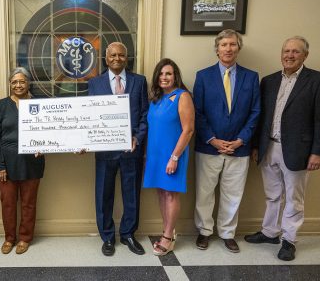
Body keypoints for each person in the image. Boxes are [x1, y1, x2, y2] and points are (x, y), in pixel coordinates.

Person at [244, 36, 320, 261]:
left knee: (294, 197)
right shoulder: (269, 81)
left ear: (305, 55)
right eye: (286, 51)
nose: (289, 55)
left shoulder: (319, 81)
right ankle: (270, 232)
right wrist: (256, 146)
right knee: (272, 194)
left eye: (295, 51)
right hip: (269, 146)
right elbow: (262, 116)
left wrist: (317, 151)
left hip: (298, 151)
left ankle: (289, 240)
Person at [193, 29, 260, 253]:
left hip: (239, 148)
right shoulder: (203, 76)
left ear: (238, 48)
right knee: (205, 192)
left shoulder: (251, 77)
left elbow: (255, 112)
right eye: (224, 45)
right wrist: (212, 139)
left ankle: (227, 233)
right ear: (217, 49)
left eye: (232, 44)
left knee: (233, 194)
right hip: (208, 147)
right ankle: (204, 231)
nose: (228, 49)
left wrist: (241, 140)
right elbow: (198, 112)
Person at [87, 42, 149, 256]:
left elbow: (144, 114)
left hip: (131, 150)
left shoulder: (139, 81)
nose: (117, 58)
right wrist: (83, 139)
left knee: (131, 193)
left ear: (126, 57)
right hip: (104, 150)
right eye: (113, 55)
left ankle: (128, 234)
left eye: (121, 55)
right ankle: (107, 236)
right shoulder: (94, 83)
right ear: (106, 58)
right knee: (103, 194)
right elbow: (89, 116)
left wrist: (137, 138)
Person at [0, 67, 45, 255]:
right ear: (10, 85)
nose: (18, 85)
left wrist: (43, 145)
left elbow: (50, 131)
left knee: (29, 203)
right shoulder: (2, 105)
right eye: (14, 82)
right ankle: (9, 238)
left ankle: (25, 238)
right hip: (6, 163)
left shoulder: (39, 104)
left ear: (28, 83)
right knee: (8, 203)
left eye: (22, 81)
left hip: (32, 162)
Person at [143, 59, 194, 256]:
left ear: (176, 76)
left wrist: (174, 157)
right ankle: (168, 232)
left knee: (171, 193)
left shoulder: (182, 96)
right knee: (162, 193)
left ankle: (168, 237)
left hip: (173, 154)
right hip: (155, 154)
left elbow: (188, 130)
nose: (164, 77)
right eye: (161, 74)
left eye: (169, 74)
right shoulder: (156, 98)